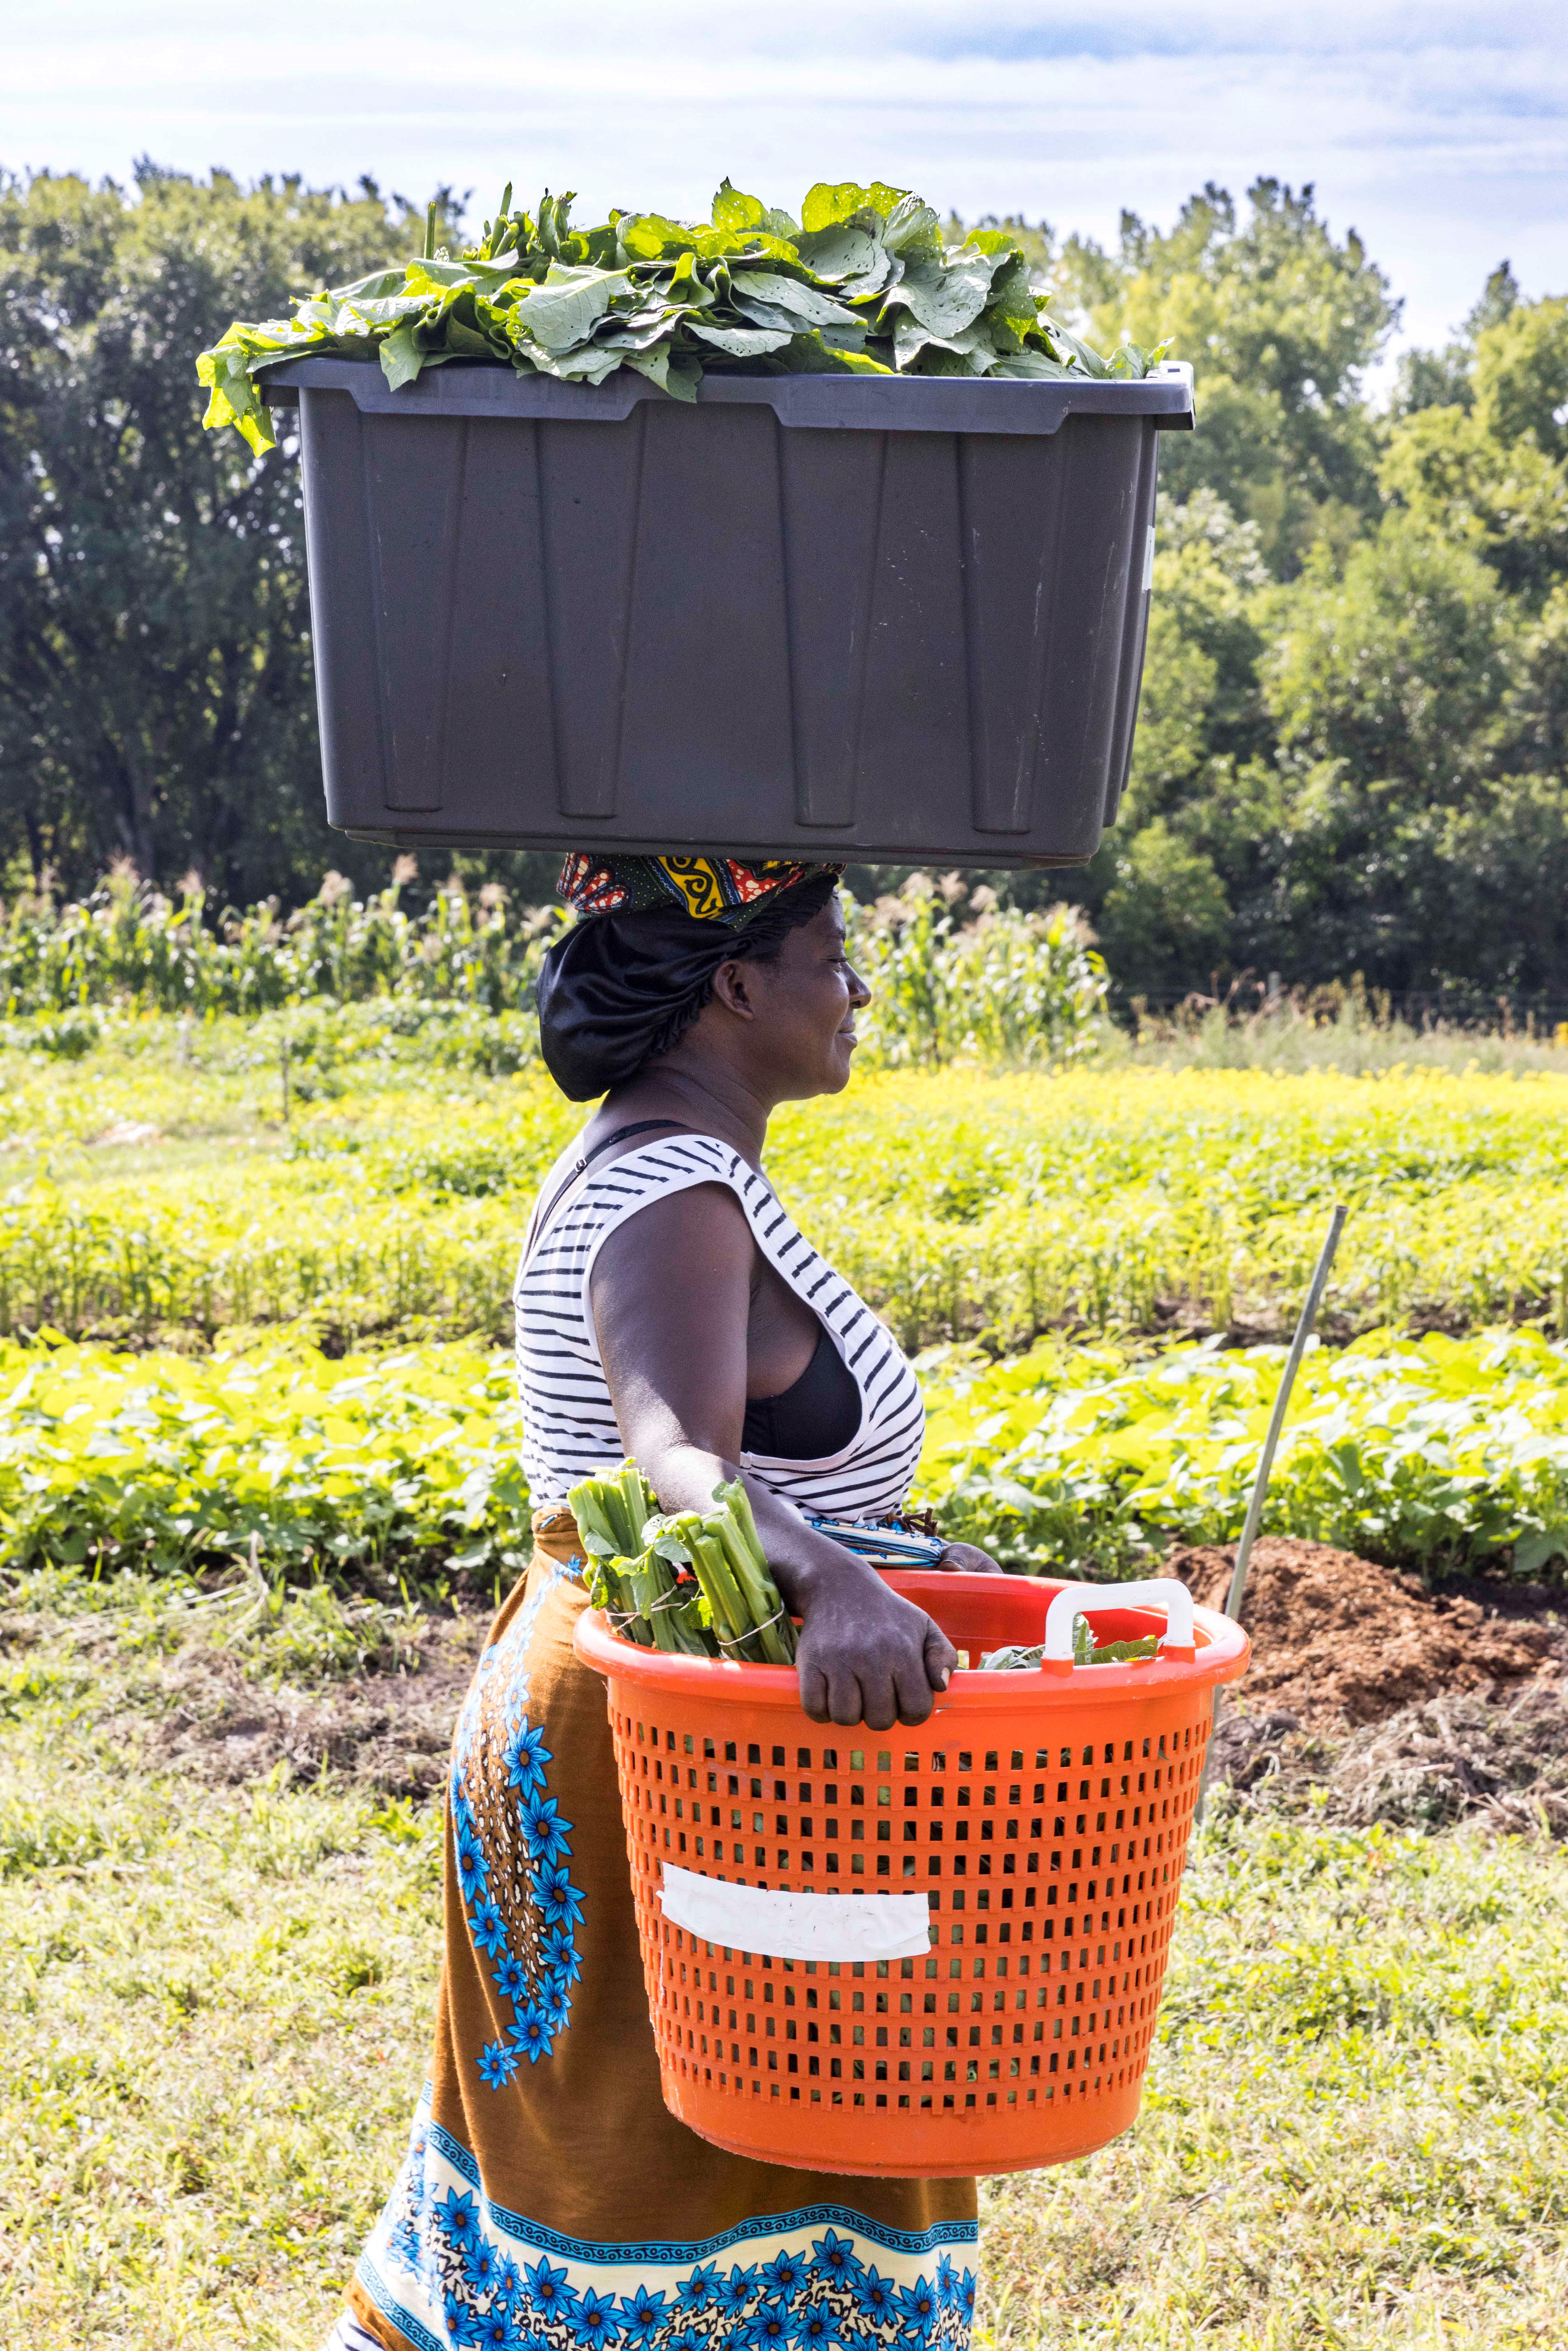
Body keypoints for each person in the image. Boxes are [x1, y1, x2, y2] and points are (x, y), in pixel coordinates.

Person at [330, 853, 1000, 2351]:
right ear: (737, 985)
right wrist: (834, 1577)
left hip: (633, 1686)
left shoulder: (653, 1159)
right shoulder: (669, 1189)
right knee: (681, 2158)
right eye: (831, 958)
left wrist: (889, 1560)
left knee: (594, 2148)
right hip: (673, 1728)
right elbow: (674, 1461)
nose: (855, 990)